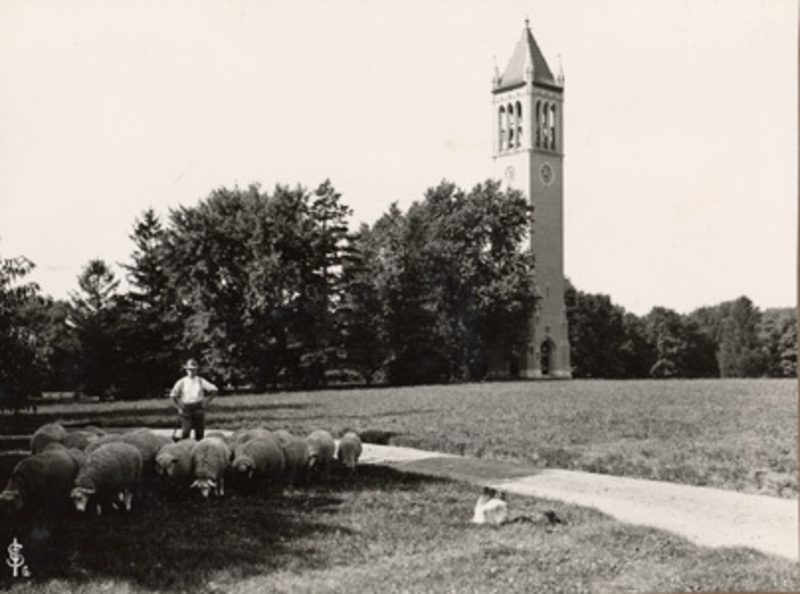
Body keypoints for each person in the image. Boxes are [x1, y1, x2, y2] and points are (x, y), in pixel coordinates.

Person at [169, 358, 218, 440]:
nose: (192, 372)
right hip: (186, 407)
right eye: (190, 370)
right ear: (186, 370)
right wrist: (178, 407)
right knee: (185, 432)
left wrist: (206, 402)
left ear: (197, 370)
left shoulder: (200, 381)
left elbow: (214, 390)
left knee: (199, 433)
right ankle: (185, 449)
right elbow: (173, 395)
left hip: (198, 407)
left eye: (194, 370)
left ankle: (199, 449)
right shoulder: (182, 382)